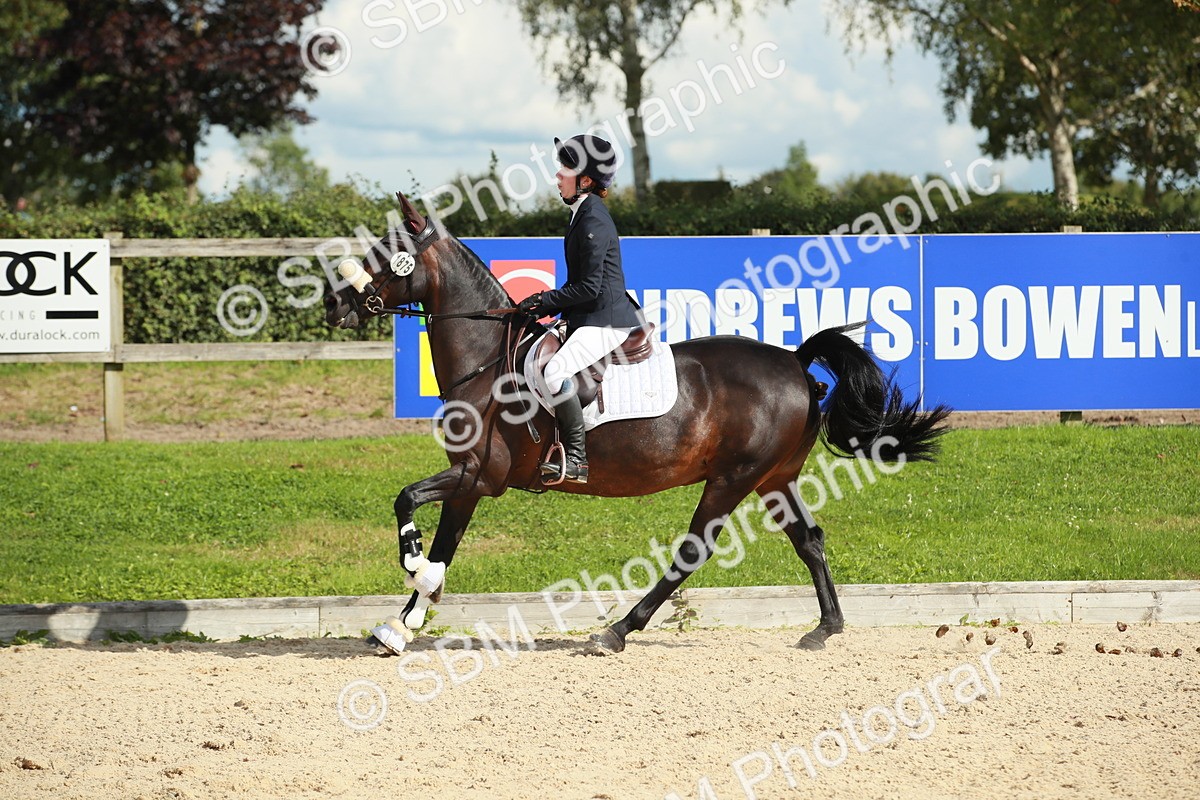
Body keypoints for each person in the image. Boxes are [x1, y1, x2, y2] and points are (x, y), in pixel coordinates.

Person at [516, 134, 644, 484]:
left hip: (607, 320)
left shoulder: (593, 220)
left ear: (585, 180)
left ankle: (575, 459)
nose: (558, 175)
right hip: (589, 315)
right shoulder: (582, 214)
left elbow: (589, 287)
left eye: (566, 169)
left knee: (556, 372)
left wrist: (544, 301)